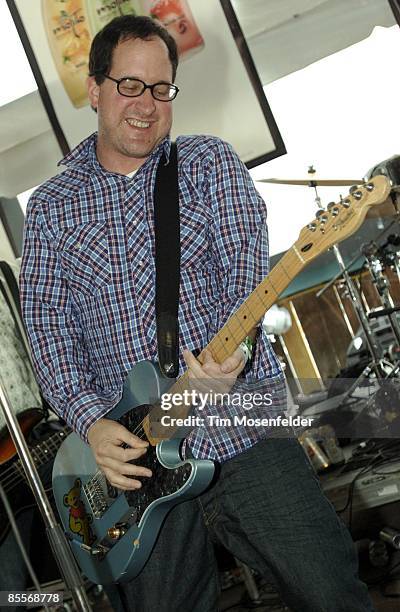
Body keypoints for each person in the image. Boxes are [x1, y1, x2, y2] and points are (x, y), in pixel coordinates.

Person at [20, 15, 374, 612]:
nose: (147, 105)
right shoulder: (54, 206)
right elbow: (48, 330)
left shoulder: (209, 164)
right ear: (96, 86)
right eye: (130, 85)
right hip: (133, 465)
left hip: (241, 426)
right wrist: (92, 424)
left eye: (162, 89)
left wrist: (224, 361)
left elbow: (244, 283)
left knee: (332, 593)